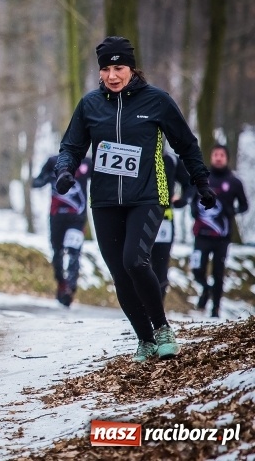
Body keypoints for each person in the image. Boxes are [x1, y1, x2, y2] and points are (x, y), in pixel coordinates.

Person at [55, 36, 215, 363]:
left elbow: (186, 144)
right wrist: (64, 171)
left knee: (135, 261)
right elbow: (71, 147)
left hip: (147, 196)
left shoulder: (156, 101)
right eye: (106, 69)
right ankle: (145, 340)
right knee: (120, 274)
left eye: (119, 67)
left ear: (132, 68)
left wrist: (201, 182)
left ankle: (163, 329)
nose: (112, 76)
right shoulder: (90, 105)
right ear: (99, 71)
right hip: (104, 201)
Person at [189, 144, 249, 318]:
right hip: (201, 234)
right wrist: (193, 209)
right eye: (215, 154)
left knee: (218, 273)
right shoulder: (202, 178)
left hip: (222, 236)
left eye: (222, 155)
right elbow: (192, 197)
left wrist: (233, 212)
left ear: (227, 158)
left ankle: (215, 309)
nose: (218, 157)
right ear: (211, 156)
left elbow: (244, 205)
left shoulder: (234, 182)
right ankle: (205, 290)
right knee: (196, 269)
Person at [32, 154, 92, 306]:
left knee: (74, 252)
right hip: (56, 216)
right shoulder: (53, 161)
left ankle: (70, 289)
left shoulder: (86, 162)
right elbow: (36, 182)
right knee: (57, 253)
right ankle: (61, 284)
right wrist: (46, 179)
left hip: (77, 217)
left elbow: (103, 181)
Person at [151, 151, 191, 298]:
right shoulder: (137, 153)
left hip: (164, 221)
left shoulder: (171, 160)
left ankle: (157, 307)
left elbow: (189, 183)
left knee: (160, 265)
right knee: (137, 263)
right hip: (138, 218)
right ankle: (140, 307)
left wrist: (183, 200)